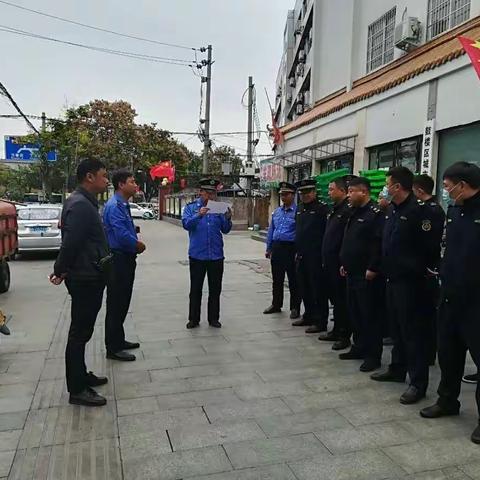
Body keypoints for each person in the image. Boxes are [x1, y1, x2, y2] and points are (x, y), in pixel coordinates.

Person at [420, 161, 480, 445]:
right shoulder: (455, 211)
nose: (445, 192)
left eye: (447, 187)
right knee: (448, 354)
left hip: (476, 302)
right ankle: (447, 401)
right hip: (450, 297)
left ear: (462, 185)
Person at [372, 166, 441, 405]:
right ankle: (397, 368)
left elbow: (430, 249)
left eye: (387, 184)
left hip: (412, 283)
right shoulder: (392, 209)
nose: (385, 188)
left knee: (414, 334)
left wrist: (417, 271)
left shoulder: (419, 212)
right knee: (397, 329)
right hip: (392, 280)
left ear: (397, 187)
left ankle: (418, 383)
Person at [49, 159, 110, 407]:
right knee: (79, 333)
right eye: (103, 176)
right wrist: (59, 269)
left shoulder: (83, 202)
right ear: (89, 177)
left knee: (83, 332)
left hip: (89, 274)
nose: (107, 180)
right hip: (85, 277)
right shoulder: (81, 205)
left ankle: (81, 374)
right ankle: (77, 389)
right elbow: (71, 243)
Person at [339, 177, 385, 371]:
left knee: (370, 316)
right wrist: (344, 262)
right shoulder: (353, 212)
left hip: (366, 274)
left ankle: (373, 355)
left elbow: (378, 244)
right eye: (348, 191)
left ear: (363, 192)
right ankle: (358, 347)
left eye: (352, 192)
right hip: (351, 271)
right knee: (355, 312)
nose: (348, 195)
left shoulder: (375, 214)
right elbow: (349, 240)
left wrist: (373, 267)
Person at [103, 169, 146, 362]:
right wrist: (137, 244)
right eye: (132, 181)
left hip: (126, 258)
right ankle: (113, 347)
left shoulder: (123, 205)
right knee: (116, 303)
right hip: (118, 259)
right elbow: (120, 234)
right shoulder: (114, 206)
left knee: (123, 302)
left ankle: (118, 340)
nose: (135, 184)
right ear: (121, 184)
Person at [182, 178, 232, 329]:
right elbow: (186, 224)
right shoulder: (191, 208)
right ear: (200, 192)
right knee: (196, 289)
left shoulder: (219, 208)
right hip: (198, 255)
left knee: (215, 289)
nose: (211, 196)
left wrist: (228, 218)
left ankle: (213, 318)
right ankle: (193, 319)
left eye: (213, 193)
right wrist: (199, 215)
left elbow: (226, 229)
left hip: (216, 255)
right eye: (208, 192)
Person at [413, 174, 446, 365]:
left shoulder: (430, 210)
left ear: (419, 190)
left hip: (428, 269)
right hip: (425, 267)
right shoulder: (426, 209)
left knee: (427, 313)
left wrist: (425, 266)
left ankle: (428, 352)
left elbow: (428, 242)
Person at [292, 178, 329, 334]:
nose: (304, 195)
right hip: (301, 255)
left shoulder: (322, 209)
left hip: (316, 255)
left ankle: (320, 321)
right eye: (301, 193)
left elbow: (326, 233)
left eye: (307, 192)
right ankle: (308, 315)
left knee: (318, 290)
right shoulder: (299, 208)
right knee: (304, 287)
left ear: (314, 192)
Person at [319, 177, 352, 350]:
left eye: (332, 189)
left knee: (342, 301)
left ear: (342, 190)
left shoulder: (347, 210)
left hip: (340, 264)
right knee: (335, 299)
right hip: (329, 263)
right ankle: (336, 329)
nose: (329, 192)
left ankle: (344, 334)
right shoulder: (335, 209)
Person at [263, 182, 300, 319]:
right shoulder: (277, 212)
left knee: (293, 279)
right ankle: (276, 304)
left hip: (291, 248)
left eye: (286, 194)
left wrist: (298, 251)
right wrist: (269, 247)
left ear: (293, 195)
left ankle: (295, 307)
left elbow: (299, 232)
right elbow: (271, 230)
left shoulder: (298, 212)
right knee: (277, 279)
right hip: (277, 248)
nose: (283, 197)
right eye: (281, 195)